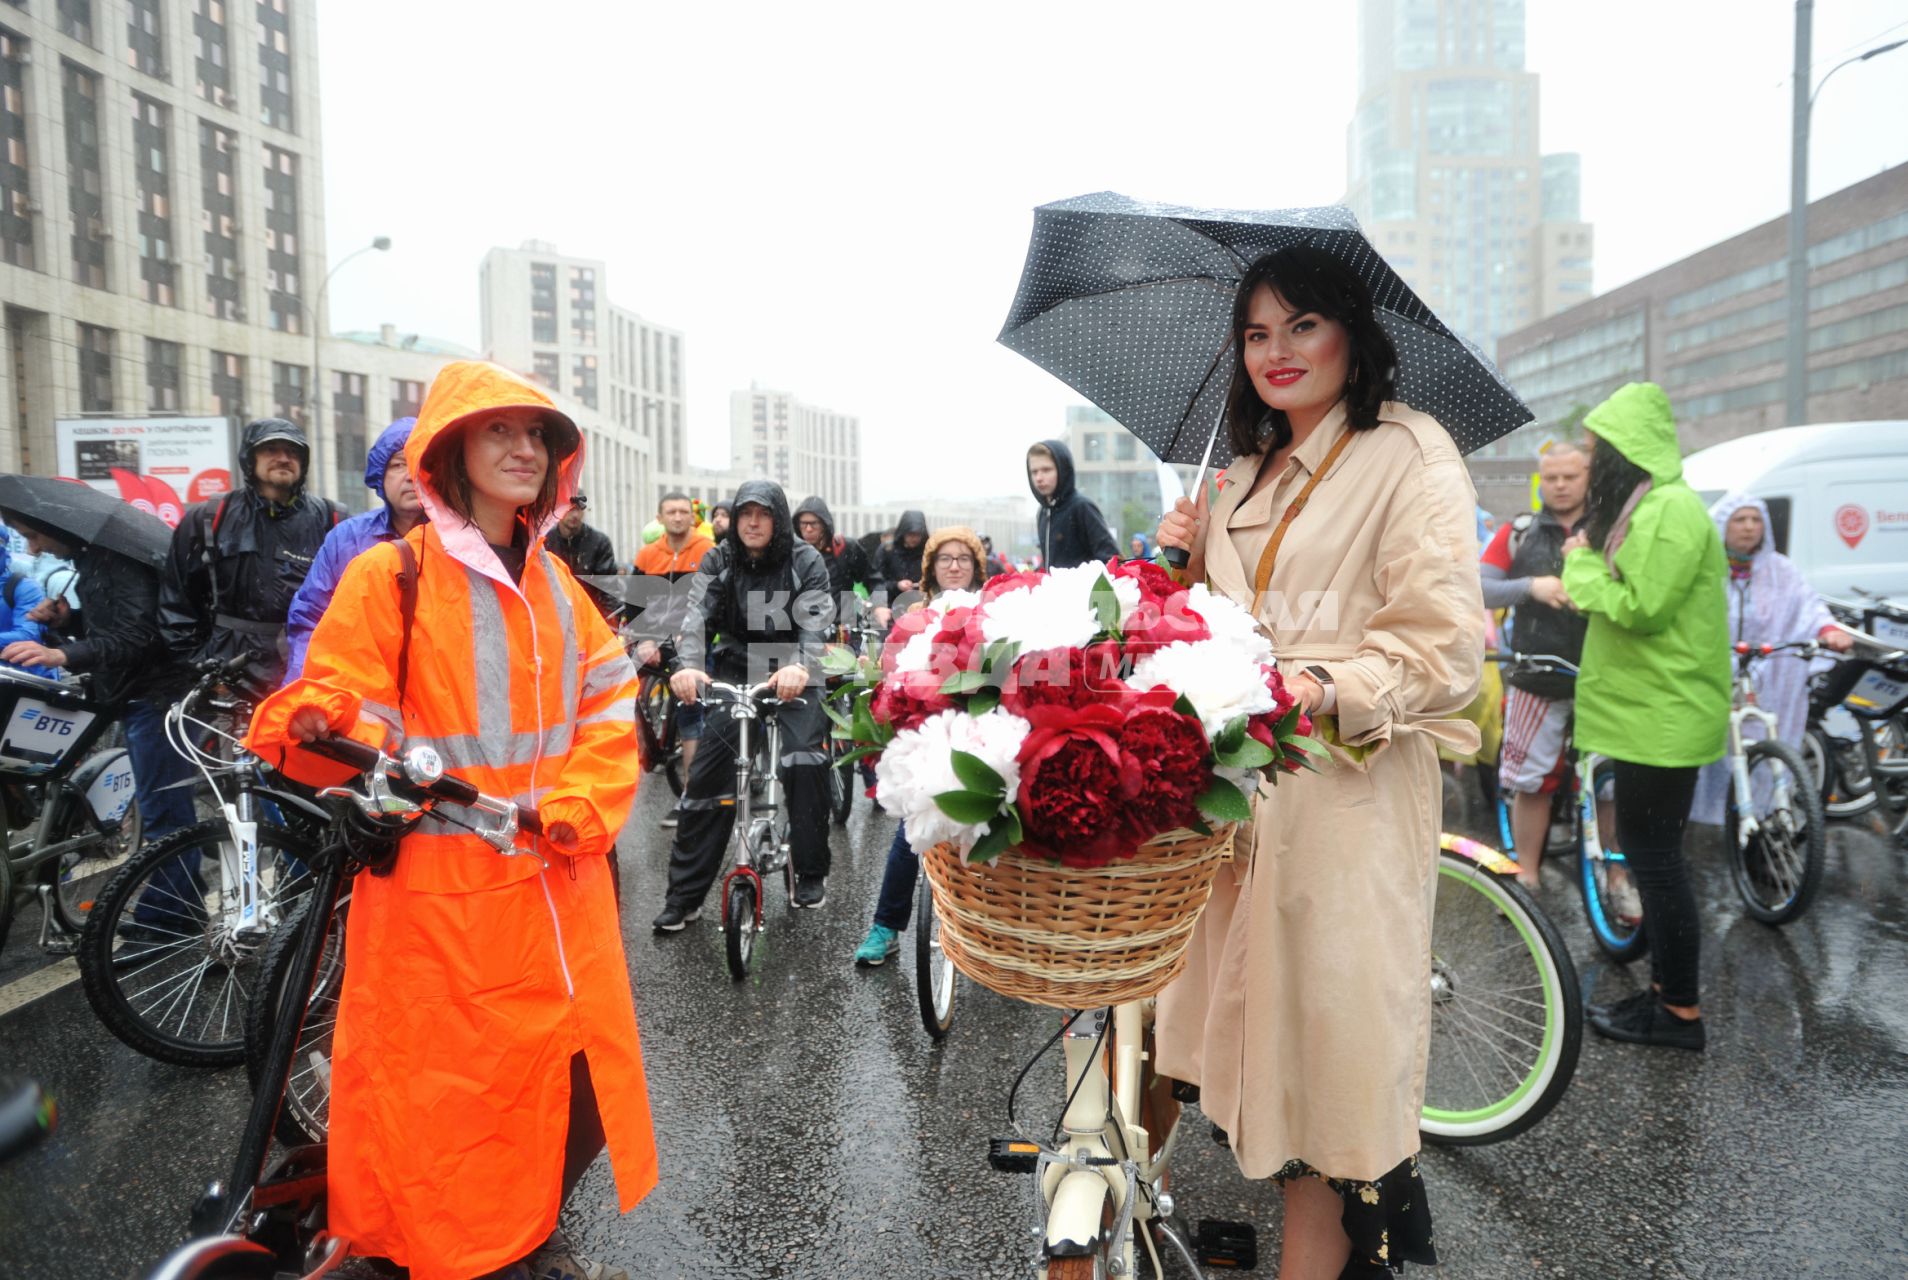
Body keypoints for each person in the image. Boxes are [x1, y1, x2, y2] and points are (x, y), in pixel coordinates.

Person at [244, 360, 654, 1280]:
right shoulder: (391, 577)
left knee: (564, 1082)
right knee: (447, 1097)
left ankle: (527, 1231)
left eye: (537, 435)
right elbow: (345, 702)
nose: (522, 449)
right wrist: (326, 724)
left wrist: (576, 809)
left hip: (557, 883)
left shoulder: (558, 586)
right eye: (498, 431)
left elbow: (611, 705)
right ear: (451, 452)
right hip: (441, 897)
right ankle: (454, 1252)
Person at [1153, 244, 1483, 1277]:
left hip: (1345, 799)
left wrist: (1323, 687)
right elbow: (1201, 631)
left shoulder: (1412, 453)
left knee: (1329, 1087)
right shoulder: (1238, 474)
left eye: (1302, 325)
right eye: (1256, 332)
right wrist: (1177, 564)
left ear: (1356, 330)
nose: (1276, 351)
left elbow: (1440, 643)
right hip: (1236, 808)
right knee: (1240, 1048)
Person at [1560, 381, 1729, 1054]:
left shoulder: (1668, 509)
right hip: (1651, 713)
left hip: (1662, 716)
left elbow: (1641, 607)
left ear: (1626, 451)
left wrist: (1578, 568)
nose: (1589, 457)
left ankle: (1681, 1012)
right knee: (1656, 860)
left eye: (1596, 448)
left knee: (1659, 865)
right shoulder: (1650, 507)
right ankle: (1664, 994)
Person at [652, 479, 836, 927]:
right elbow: (696, 617)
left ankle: (810, 872)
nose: (753, 523)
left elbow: (816, 622)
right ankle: (685, 896)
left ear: (778, 517)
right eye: (745, 514)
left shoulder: (805, 559)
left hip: (795, 672)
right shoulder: (720, 558)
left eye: (763, 514)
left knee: (804, 761)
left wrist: (803, 667)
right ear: (734, 519)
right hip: (736, 673)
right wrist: (689, 666)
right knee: (709, 776)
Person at [0, 520, 197, 927]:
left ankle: (169, 920)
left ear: (53, 524)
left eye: (35, 536)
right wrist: (68, 623)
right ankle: (181, 910)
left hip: (157, 697)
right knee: (166, 813)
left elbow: (137, 637)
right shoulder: (95, 560)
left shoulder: (118, 562)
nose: (33, 549)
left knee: (166, 818)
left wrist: (64, 656)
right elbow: (119, 625)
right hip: (139, 694)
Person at [852, 526, 981, 967]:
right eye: (945, 558)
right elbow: (889, 682)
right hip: (923, 739)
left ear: (976, 566)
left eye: (964, 558)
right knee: (910, 834)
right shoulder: (912, 620)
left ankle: (995, 928)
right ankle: (885, 927)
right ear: (930, 568)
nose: (955, 566)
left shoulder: (993, 613)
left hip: (979, 739)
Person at [1689, 492, 1852, 821]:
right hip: (1713, 673)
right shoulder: (1703, 569)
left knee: (1764, 751)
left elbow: (1809, 605)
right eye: (1740, 520)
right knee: (1708, 751)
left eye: (1755, 520)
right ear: (1721, 525)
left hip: (1766, 678)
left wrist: (1828, 630)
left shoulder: (1781, 570)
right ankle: (1704, 818)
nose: (1749, 528)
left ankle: (1762, 818)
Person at [1479, 441, 1591, 888]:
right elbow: (1480, 587)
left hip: (1603, 675)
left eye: (1571, 476)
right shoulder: (1519, 531)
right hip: (1535, 672)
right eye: (1551, 477)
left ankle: (1616, 873)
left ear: (1588, 477)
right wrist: (1532, 587)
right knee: (1529, 783)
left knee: (1607, 780)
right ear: (1540, 479)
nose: (1560, 485)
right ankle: (1527, 874)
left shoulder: (1610, 530)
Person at [158, 417, 342, 688]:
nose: (283, 458)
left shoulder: (332, 519)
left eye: (292, 452)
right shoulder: (208, 518)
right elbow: (177, 605)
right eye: (271, 450)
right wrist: (202, 667)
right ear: (249, 459)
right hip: (227, 677)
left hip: (304, 676)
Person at [283, 417, 426, 682]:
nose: (410, 475)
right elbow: (312, 619)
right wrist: (304, 694)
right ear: (380, 476)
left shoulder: (462, 538)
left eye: (421, 462)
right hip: (361, 693)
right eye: (398, 464)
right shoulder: (347, 538)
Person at [632, 491, 716, 829]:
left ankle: (691, 795)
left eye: (684, 511)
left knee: (690, 711)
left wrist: (694, 635)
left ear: (692, 517)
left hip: (694, 641)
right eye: (671, 511)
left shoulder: (708, 551)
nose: (678, 517)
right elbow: (637, 603)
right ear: (660, 517)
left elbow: (714, 600)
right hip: (657, 639)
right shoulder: (648, 554)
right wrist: (644, 638)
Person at [794, 495, 886, 628]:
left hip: (842, 630)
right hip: (806, 631)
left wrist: (879, 605)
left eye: (813, 523)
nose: (808, 529)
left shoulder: (845, 548)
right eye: (803, 524)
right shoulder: (793, 554)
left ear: (824, 524)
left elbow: (873, 579)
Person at [1028, 439, 1119, 570]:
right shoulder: (1043, 512)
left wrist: (1098, 591)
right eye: (1034, 472)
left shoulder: (1082, 507)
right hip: (1055, 590)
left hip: (1084, 589)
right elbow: (1052, 562)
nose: (1039, 478)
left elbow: (1111, 559)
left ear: (1062, 469)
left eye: (1046, 470)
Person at [874, 509, 929, 601]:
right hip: (892, 604)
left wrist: (922, 586)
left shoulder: (927, 551)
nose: (914, 538)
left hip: (921, 604)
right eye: (911, 534)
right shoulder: (887, 550)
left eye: (918, 534)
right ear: (903, 532)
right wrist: (896, 585)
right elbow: (876, 582)